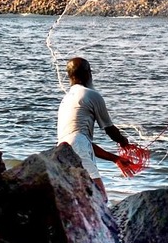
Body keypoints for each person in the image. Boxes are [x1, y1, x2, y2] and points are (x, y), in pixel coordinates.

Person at [56, 57, 134, 195]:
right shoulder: (91, 94)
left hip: (61, 151)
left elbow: (80, 141)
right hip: (78, 146)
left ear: (69, 76)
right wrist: (123, 142)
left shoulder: (66, 99)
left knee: (78, 195)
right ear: (88, 74)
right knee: (100, 196)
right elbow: (109, 129)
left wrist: (115, 159)